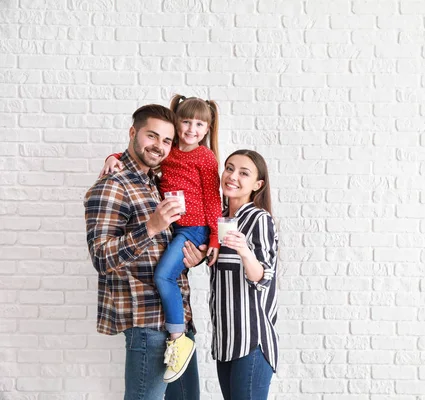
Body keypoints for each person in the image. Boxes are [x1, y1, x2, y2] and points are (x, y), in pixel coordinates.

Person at [84, 104, 204, 399]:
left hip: (178, 322)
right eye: (152, 136)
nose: (159, 146)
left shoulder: (156, 182)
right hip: (147, 323)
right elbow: (101, 258)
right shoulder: (113, 185)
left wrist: (194, 256)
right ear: (133, 133)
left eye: (166, 140)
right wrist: (150, 227)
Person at [101, 95, 222, 382]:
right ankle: (179, 333)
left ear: (207, 129)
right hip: (174, 228)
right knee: (166, 276)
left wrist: (213, 239)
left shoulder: (205, 157)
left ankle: (177, 337)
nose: (191, 129)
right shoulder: (168, 151)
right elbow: (140, 158)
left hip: (193, 229)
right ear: (176, 122)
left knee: (164, 277)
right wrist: (112, 157)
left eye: (199, 124)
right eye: (185, 121)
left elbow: (212, 200)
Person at [192, 149, 279, 400]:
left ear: (257, 184)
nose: (232, 176)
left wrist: (244, 251)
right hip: (226, 342)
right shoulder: (218, 219)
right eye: (229, 168)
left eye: (244, 173)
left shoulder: (258, 219)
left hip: (252, 341)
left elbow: (263, 276)